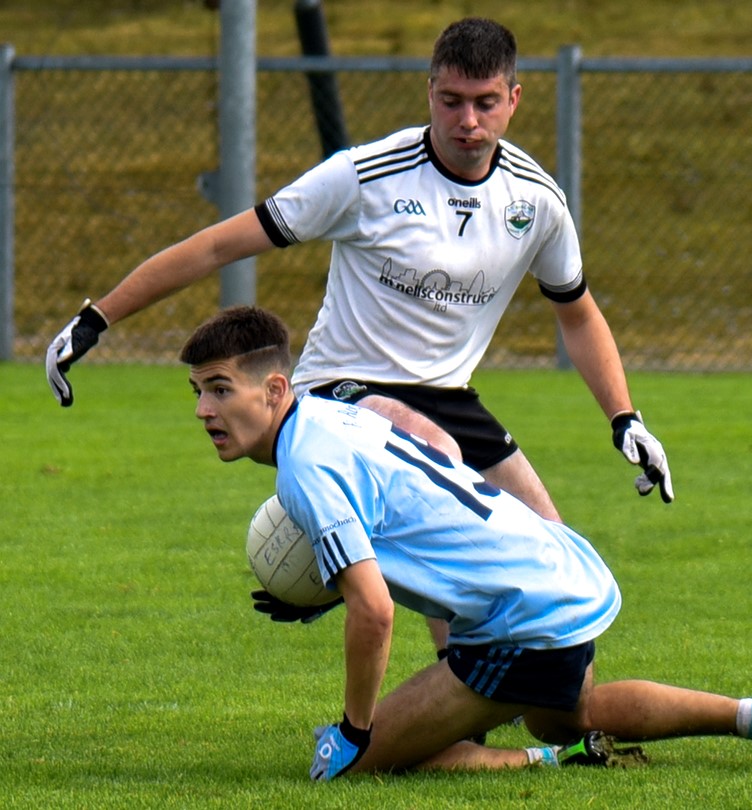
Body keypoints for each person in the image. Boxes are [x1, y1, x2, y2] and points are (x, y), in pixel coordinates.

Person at [47, 17, 671, 648]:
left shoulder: (536, 201)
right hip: (340, 389)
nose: (468, 122)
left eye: (485, 103)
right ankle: (448, 694)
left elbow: (579, 313)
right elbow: (216, 246)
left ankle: (578, 720)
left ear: (514, 99)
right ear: (429, 92)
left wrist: (625, 418)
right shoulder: (365, 176)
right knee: (435, 457)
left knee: (553, 552)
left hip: (450, 395)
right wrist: (100, 317)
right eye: (451, 101)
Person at [180, 305, 752, 781]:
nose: (205, 410)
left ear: (275, 389)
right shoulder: (328, 415)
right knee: (569, 714)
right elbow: (410, 517)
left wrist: (354, 729)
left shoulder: (305, 465)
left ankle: (544, 763)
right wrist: (332, 584)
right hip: (555, 570)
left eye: (220, 388)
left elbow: (376, 611)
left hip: (521, 615)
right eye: (199, 392)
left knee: (345, 764)